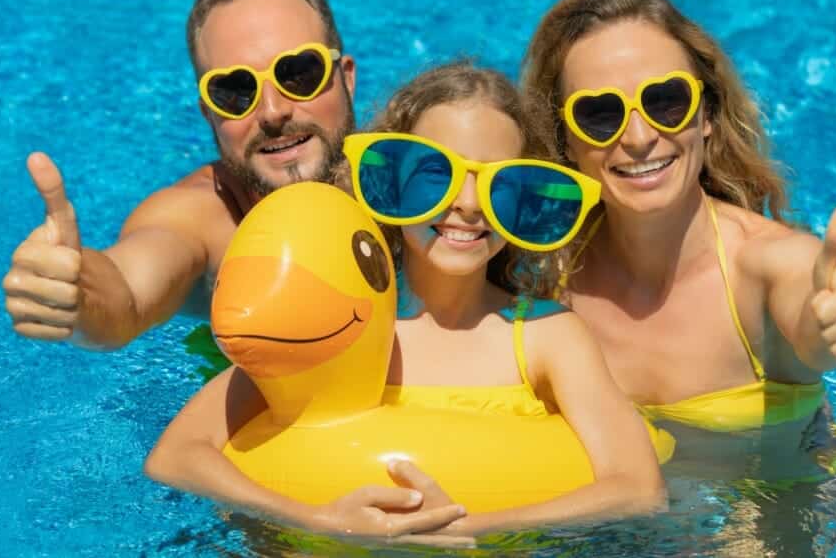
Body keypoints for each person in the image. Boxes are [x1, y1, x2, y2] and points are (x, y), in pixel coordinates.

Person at [144, 62, 667, 541]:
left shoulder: (545, 336)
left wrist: (468, 527)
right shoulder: (341, 315)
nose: (468, 205)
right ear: (391, 178)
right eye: (436, 175)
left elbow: (638, 489)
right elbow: (175, 456)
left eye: (501, 185)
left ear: (527, 200)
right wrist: (318, 519)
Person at [519, 0, 836, 480]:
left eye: (665, 101)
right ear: (565, 140)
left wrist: (825, 331)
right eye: (600, 114)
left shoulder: (766, 266)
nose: (639, 137)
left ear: (706, 113)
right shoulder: (546, 275)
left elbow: (808, 305)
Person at [2, 0, 356, 350]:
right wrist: (81, 293)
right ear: (209, 114)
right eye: (235, 92)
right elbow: (128, 289)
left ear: (347, 78)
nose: (272, 112)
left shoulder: (396, 177)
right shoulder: (202, 219)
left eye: (299, 74)